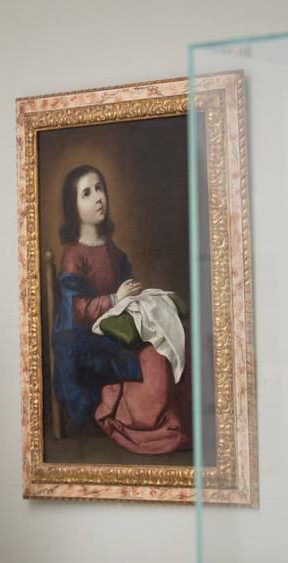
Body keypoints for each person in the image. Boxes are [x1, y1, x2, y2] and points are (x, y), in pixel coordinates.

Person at [52, 165, 191, 454]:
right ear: (73, 206)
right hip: (82, 338)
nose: (98, 197)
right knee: (145, 363)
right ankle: (118, 413)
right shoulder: (73, 254)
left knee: (160, 348)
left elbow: (125, 292)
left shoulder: (113, 249)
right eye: (86, 193)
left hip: (113, 328)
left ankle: (158, 420)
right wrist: (116, 299)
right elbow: (76, 309)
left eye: (99, 188)